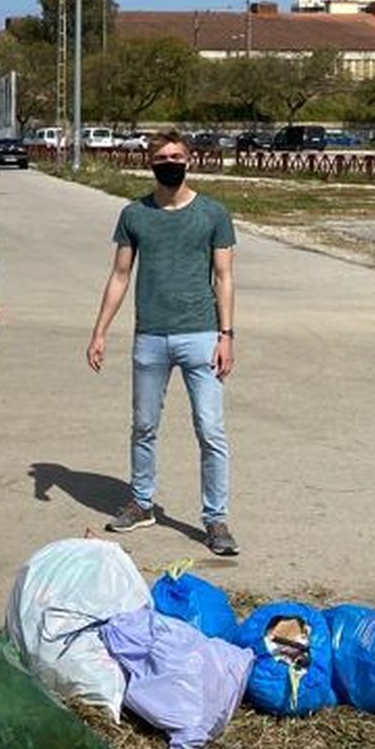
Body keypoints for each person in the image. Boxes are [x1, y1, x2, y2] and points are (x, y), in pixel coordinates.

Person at [86, 128, 238, 556]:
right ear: (149, 162)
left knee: (210, 429)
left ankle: (216, 519)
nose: (170, 162)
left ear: (190, 159)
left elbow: (224, 277)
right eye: (162, 156)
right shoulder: (134, 214)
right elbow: (120, 276)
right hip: (150, 336)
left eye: (177, 155)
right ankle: (141, 502)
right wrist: (100, 331)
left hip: (202, 335)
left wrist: (227, 335)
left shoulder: (213, 214)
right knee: (144, 425)